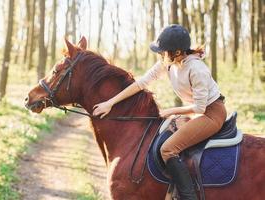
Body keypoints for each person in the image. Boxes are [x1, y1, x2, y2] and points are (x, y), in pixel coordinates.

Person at [93, 24, 227, 200]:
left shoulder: (197, 69)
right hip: (196, 112)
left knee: (168, 149)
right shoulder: (169, 63)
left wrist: (170, 111)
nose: (160, 54)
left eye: (163, 51)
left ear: (177, 52)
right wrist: (110, 103)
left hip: (211, 115)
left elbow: (200, 108)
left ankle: (188, 196)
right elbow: (142, 82)